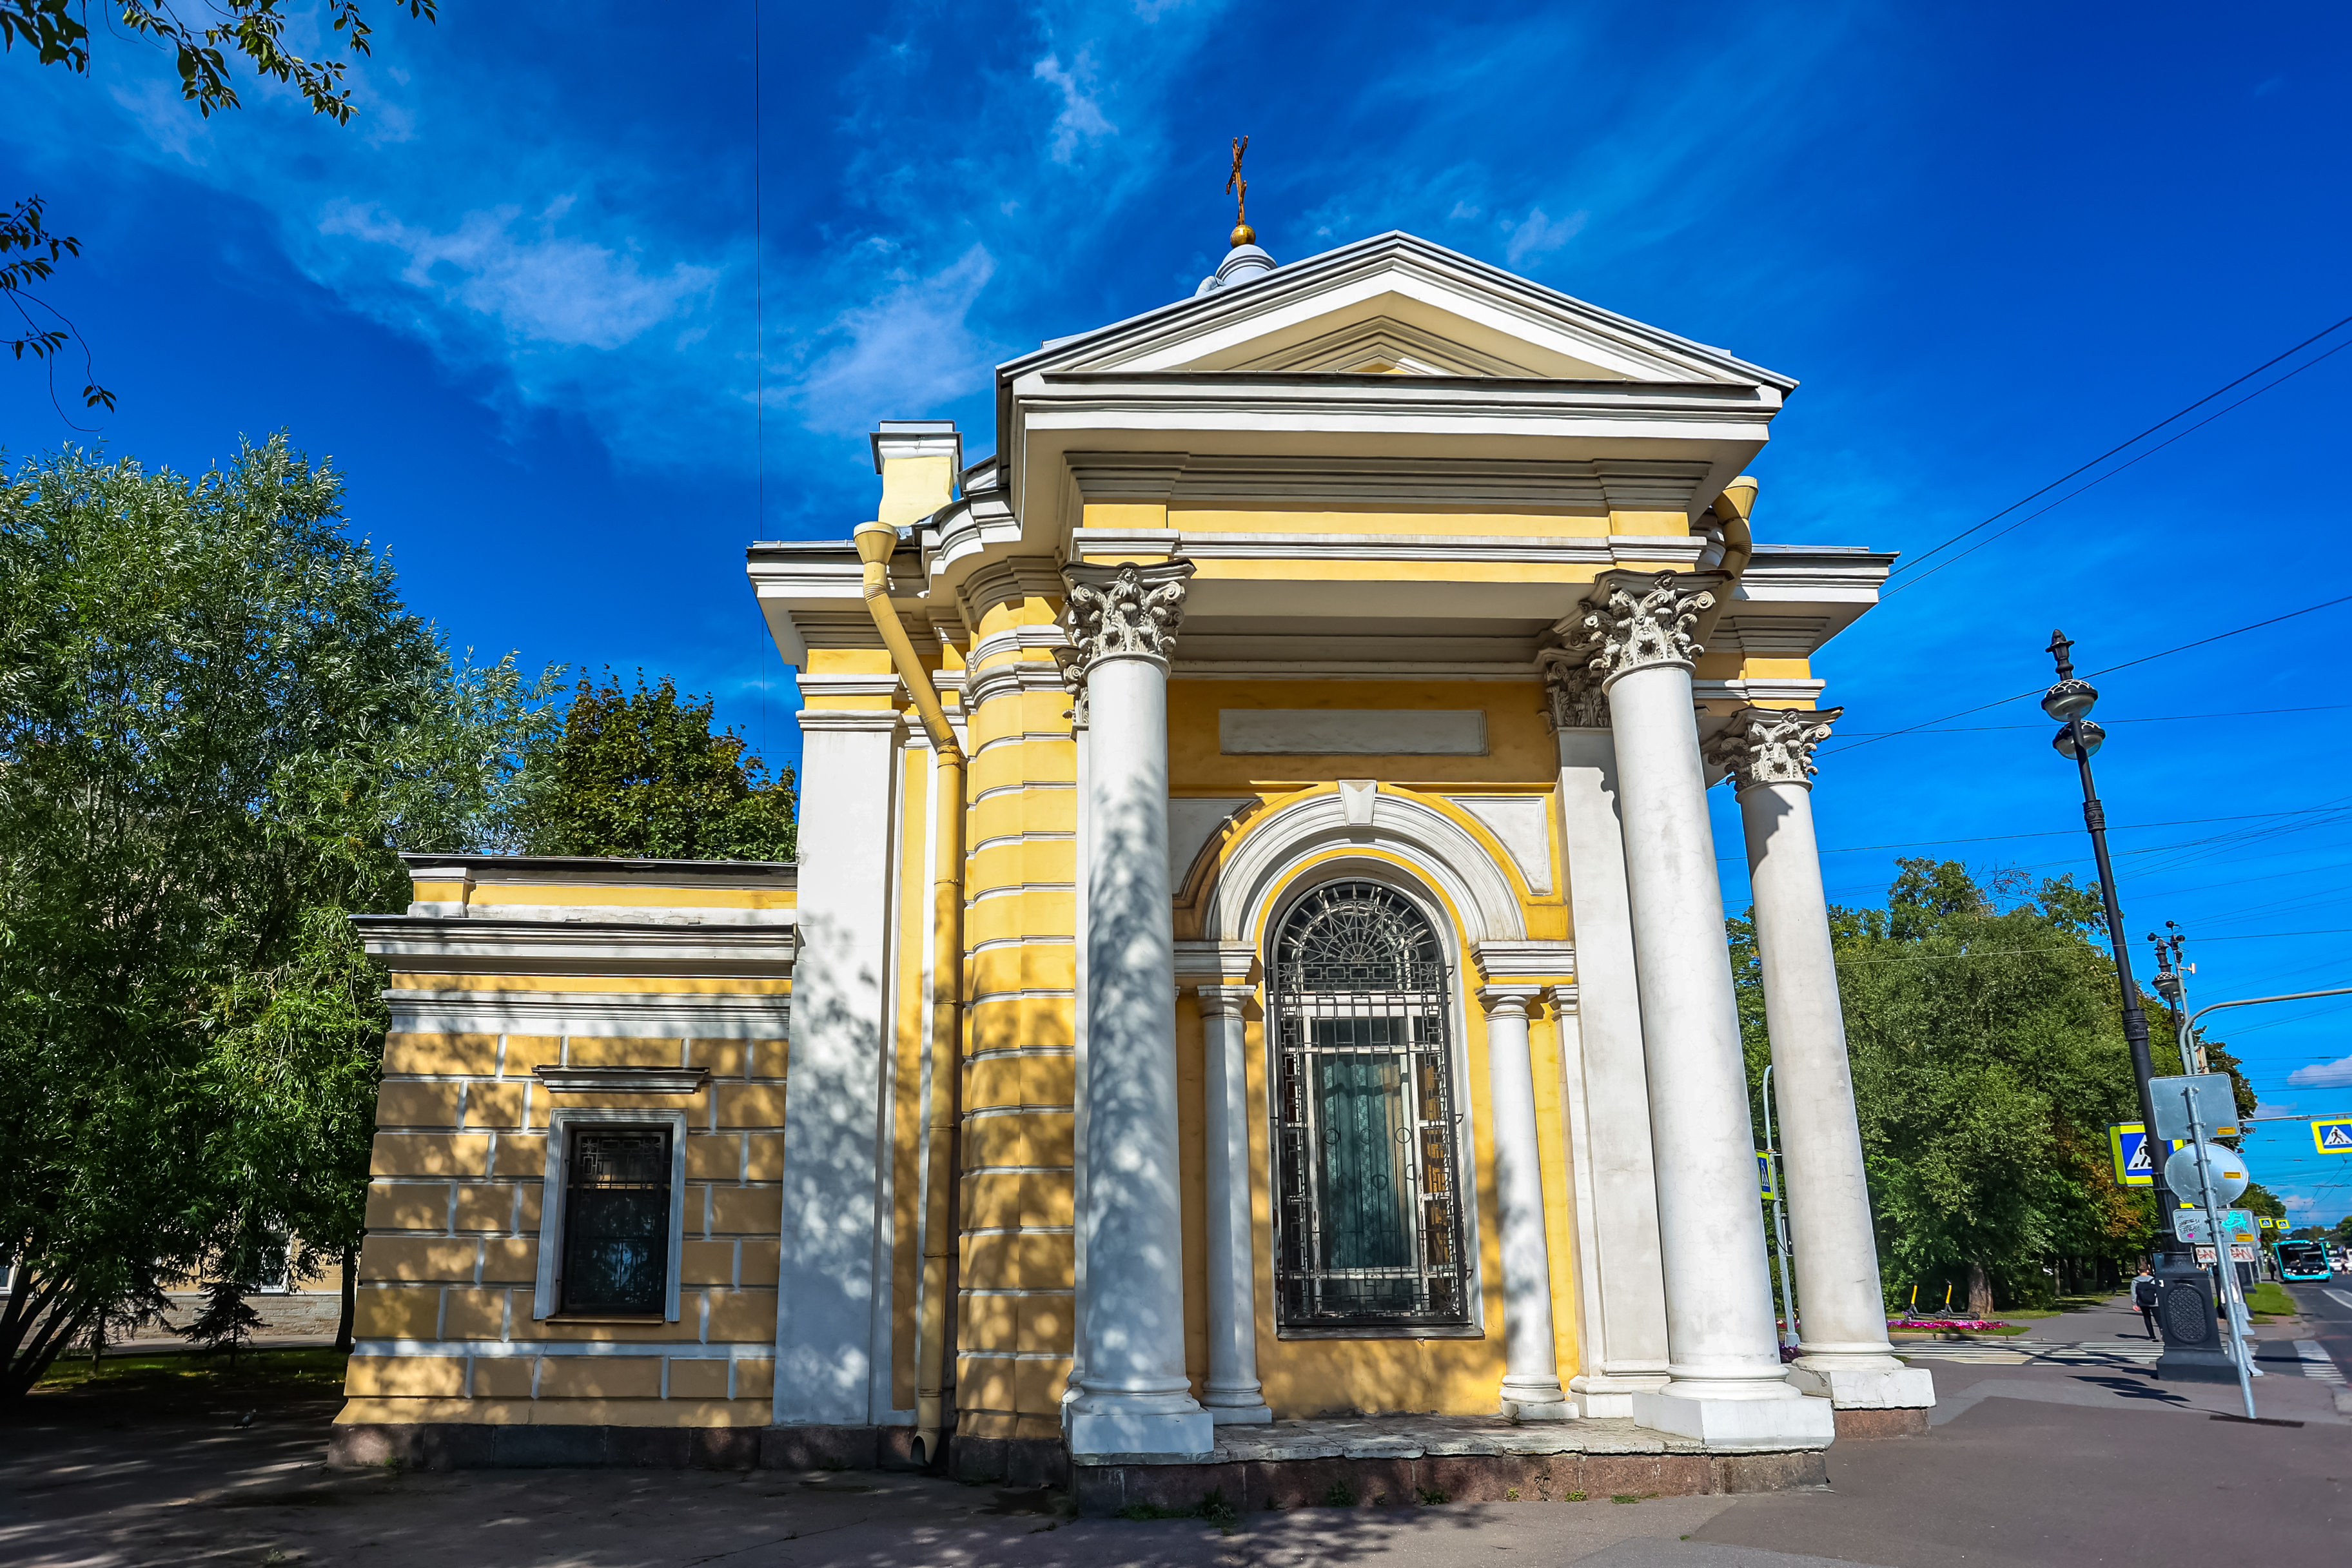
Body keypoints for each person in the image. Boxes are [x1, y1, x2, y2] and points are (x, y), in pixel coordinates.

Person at [2132, 1264, 2161, 1339]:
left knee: (2147, 1318)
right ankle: (2163, 1334)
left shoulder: (2135, 1281)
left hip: (2142, 1302)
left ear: (2138, 1271)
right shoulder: (2154, 1280)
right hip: (2155, 1302)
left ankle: (2152, 1336)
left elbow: (2134, 1293)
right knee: (2159, 1319)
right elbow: (2159, 1291)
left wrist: (2135, 1303)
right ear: (2148, 1271)